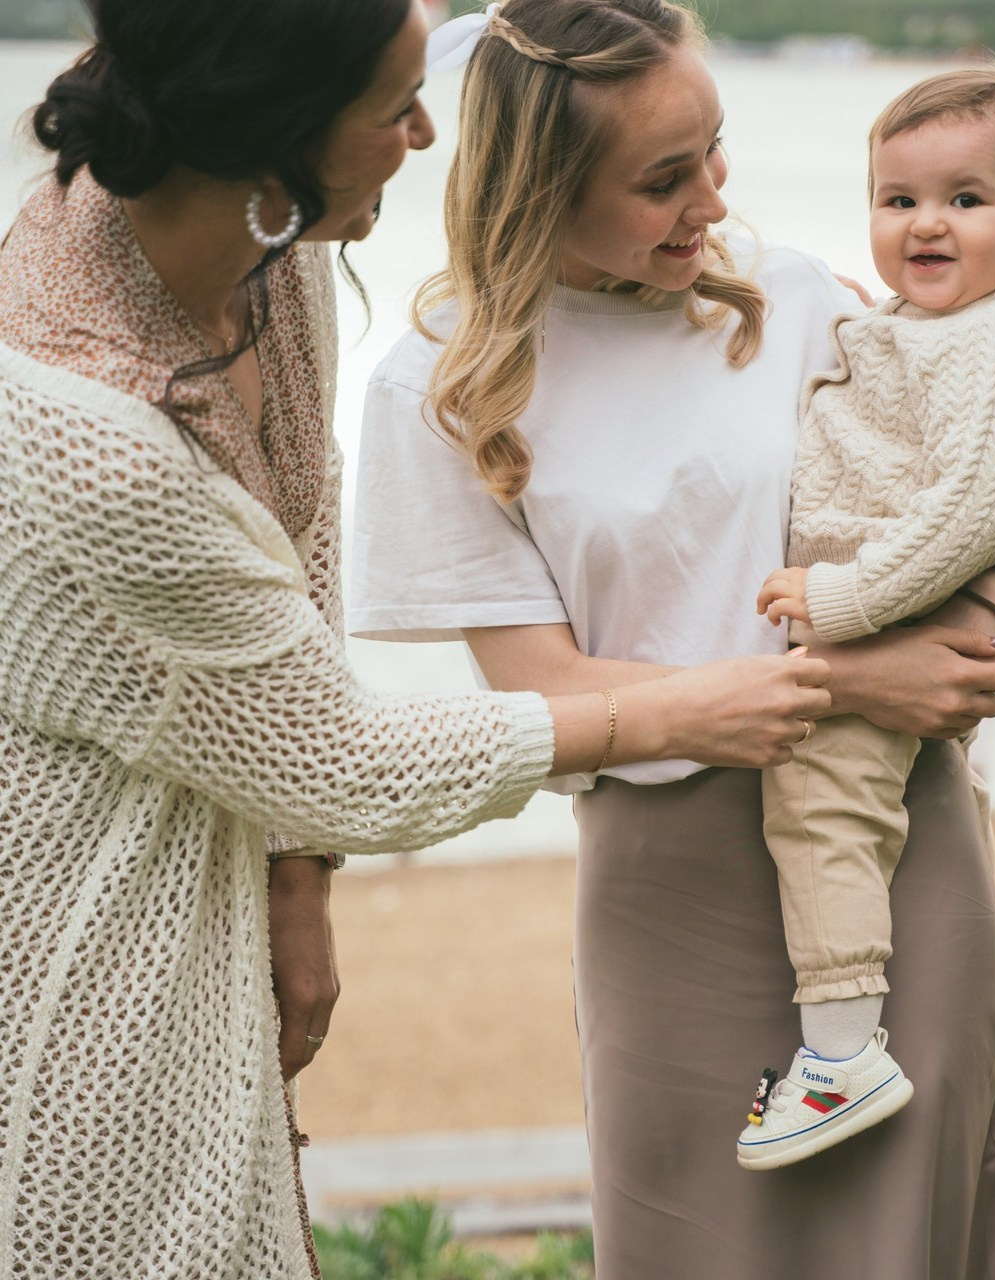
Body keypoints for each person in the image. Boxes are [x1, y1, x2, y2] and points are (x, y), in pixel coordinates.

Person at [0, 1, 830, 1276]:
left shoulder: (256, 256)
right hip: (87, 917)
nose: (429, 133)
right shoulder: (90, 431)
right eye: (394, 111)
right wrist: (672, 711)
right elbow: (336, 755)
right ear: (276, 140)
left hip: (221, 841)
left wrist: (298, 876)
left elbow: (298, 539)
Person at [351, 0, 995, 1275]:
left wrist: (985, 620)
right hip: (667, 880)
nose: (710, 202)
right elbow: (545, 691)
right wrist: (855, 674)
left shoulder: (798, 306)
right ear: (536, 188)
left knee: (919, 1233)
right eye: (663, 179)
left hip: (892, 837)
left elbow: (986, 506)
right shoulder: (437, 386)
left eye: (712, 152)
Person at [738, 63, 995, 1172]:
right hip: (896, 592)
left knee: (822, 796)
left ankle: (838, 1048)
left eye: (965, 200)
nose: (925, 224)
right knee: (879, 811)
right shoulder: (941, 322)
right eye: (898, 200)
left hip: (892, 599)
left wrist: (836, 602)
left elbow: (970, 509)